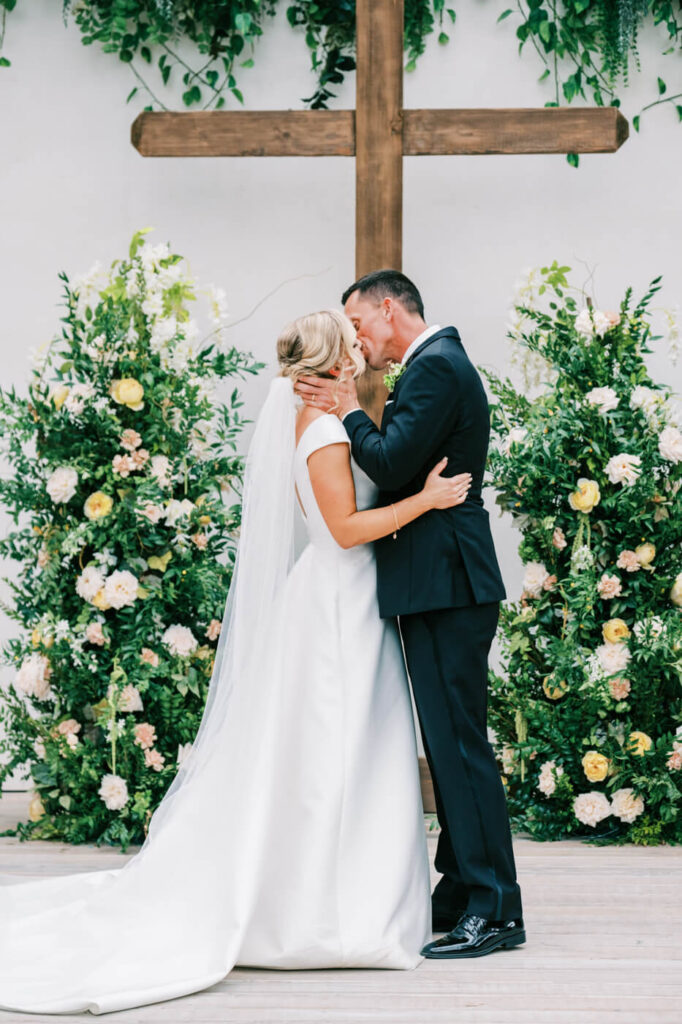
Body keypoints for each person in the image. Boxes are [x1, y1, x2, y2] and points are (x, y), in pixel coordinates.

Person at [0, 310, 472, 1015]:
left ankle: (337, 896)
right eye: (352, 348)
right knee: (336, 753)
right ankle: (326, 915)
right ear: (335, 365)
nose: (362, 353)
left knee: (340, 752)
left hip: (337, 601)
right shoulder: (324, 431)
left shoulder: (314, 423)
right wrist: (427, 500)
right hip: (339, 607)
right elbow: (344, 531)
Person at [294, 272, 526, 959]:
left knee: (460, 747)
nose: (357, 340)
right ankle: (458, 891)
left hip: (446, 583)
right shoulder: (431, 366)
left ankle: (496, 908)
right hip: (434, 583)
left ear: (389, 310)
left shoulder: (437, 368)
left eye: (359, 323)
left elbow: (392, 465)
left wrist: (347, 408)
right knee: (451, 747)